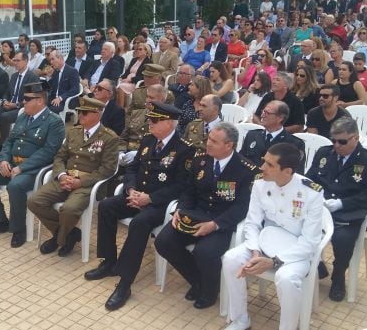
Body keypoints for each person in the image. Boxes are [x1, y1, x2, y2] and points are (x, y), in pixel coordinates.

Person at [83, 102, 195, 311]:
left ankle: (125, 283)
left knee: (139, 223)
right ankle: (109, 262)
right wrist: (131, 190)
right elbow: (133, 169)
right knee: (106, 206)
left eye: (155, 120)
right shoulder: (148, 140)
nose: (149, 123)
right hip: (137, 196)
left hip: (159, 205)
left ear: (169, 123)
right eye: (150, 119)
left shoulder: (184, 149)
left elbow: (182, 186)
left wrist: (150, 198)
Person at [155, 122, 258, 309]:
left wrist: (215, 224)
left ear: (229, 146)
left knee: (204, 252)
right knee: (163, 241)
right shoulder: (200, 159)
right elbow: (189, 191)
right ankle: (199, 281)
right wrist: (180, 210)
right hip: (195, 214)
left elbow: (242, 207)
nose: (208, 143)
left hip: (221, 221)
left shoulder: (246, 169)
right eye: (209, 138)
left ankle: (209, 292)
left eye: (214, 141)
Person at [222, 143, 324, 330]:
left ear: (287, 171)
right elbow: (252, 223)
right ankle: (240, 319)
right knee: (231, 259)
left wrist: (274, 262)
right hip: (264, 244)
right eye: (263, 162)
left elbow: (310, 242)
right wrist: (255, 252)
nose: (262, 168)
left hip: (296, 253)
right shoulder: (260, 184)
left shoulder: (311, 193)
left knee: (286, 279)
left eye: (269, 165)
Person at [0, 81, 66, 248]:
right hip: (12, 163)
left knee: (15, 186)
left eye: (27, 99)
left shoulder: (54, 122)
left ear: (39, 101)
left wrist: (21, 168)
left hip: (34, 170)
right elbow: (9, 141)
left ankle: (18, 229)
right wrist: (3, 160)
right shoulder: (23, 116)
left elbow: (48, 152)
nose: (23, 102)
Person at [28, 97, 120, 257]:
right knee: (34, 201)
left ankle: (59, 239)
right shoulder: (73, 131)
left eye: (85, 112)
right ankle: (70, 233)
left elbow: (108, 169)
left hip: (88, 185)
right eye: (79, 112)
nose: (80, 115)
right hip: (65, 179)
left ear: (97, 114)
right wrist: (62, 175)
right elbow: (59, 157)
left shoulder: (109, 137)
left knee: (69, 209)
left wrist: (81, 182)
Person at [305, 117, 367, 301]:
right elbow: (309, 180)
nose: (336, 145)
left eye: (342, 141)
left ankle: (338, 276)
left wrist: (341, 203)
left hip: (348, 213)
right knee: (297, 227)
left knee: (343, 239)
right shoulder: (324, 154)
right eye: (333, 140)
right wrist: (318, 196)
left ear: (355, 138)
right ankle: (317, 266)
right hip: (320, 208)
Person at [0, 52, 39, 155]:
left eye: (18, 61)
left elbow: (32, 98)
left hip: (22, 108)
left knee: (4, 117)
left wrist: (16, 105)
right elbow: (7, 92)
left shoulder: (32, 77)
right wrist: (5, 101)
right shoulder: (14, 76)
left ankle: (3, 148)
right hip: (9, 105)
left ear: (26, 61)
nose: (15, 63)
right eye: (14, 60)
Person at [241, 100, 305, 169]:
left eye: (267, 113)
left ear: (280, 118)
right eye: (263, 111)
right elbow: (240, 160)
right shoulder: (252, 135)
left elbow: (295, 172)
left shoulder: (294, 144)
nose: (262, 115)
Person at [46, 49, 80, 114]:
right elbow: (49, 88)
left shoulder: (72, 71)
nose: (51, 62)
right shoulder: (55, 72)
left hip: (65, 101)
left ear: (60, 58)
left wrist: (60, 98)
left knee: (49, 112)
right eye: (50, 60)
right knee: (39, 107)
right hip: (54, 100)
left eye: (53, 59)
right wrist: (49, 77)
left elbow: (75, 90)